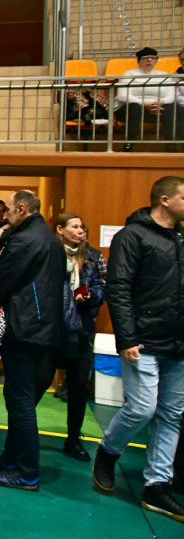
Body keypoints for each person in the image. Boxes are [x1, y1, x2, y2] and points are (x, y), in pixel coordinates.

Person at [92, 176, 184, 523]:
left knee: (171, 414)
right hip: (143, 340)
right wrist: (126, 338)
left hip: (178, 342)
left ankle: (157, 486)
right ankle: (108, 449)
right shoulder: (131, 236)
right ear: (165, 199)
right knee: (143, 409)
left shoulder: (181, 237)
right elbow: (118, 288)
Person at [0, 190, 65, 492]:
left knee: (20, 402)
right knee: (20, 399)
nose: (5, 215)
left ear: (21, 209)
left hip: (25, 330)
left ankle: (26, 472)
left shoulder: (25, 240)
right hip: (44, 329)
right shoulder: (48, 239)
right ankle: (11, 459)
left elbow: (0, 283)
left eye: (8, 210)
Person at [34, 213, 106, 461]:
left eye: (82, 227)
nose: (80, 231)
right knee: (39, 381)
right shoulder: (49, 253)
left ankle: (73, 440)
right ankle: (21, 434)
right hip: (51, 329)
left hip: (81, 328)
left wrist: (90, 297)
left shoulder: (93, 257)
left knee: (78, 387)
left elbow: (100, 289)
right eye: (75, 226)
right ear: (60, 230)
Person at [114, 46, 177, 151]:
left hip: (157, 109)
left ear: (156, 61)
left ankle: (170, 145)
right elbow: (123, 96)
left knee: (171, 108)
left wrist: (160, 102)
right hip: (130, 110)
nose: (149, 60)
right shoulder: (129, 74)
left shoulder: (164, 75)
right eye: (145, 58)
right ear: (139, 61)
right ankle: (129, 144)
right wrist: (145, 104)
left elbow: (171, 96)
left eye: (153, 58)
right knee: (135, 107)